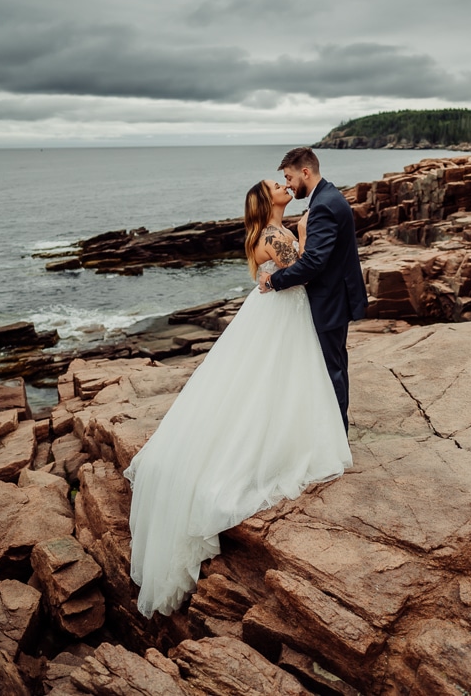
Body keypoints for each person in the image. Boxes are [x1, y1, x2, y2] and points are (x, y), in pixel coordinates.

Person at [124, 178, 351, 618]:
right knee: (270, 383)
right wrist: (304, 235)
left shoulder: (267, 233)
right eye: (276, 184)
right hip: (283, 316)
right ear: (268, 201)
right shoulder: (274, 235)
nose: (284, 185)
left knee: (266, 383)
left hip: (276, 313)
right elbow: (303, 268)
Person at [259, 147, 368, 433]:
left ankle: (336, 437)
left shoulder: (323, 205)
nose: (289, 185)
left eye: (289, 177)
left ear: (305, 172)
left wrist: (273, 281)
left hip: (329, 300)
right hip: (334, 297)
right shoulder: (327, 197)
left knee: (330, 370)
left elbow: (313, 263)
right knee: (333, 366)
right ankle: (333, 433)